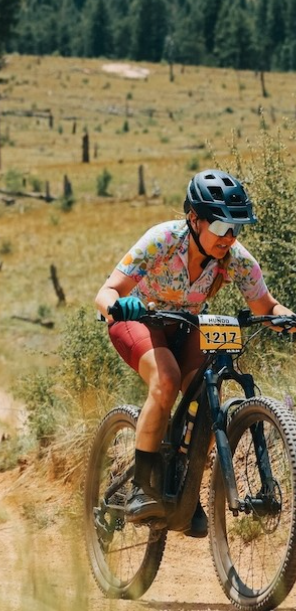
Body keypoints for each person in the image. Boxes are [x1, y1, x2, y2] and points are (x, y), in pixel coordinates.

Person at [94, 168, 295, 538]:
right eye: (221, 228)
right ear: (194, 220)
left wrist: (287, 319)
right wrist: (120, 305)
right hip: (138, 320)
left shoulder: (234, 258)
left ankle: (183, 486)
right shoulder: (163, 240)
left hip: (184, 326)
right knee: (166, 380)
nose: (229, 238)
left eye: (236, 229)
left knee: (203, 394)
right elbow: (106, 292)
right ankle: (141, 484)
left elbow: (267, 306)